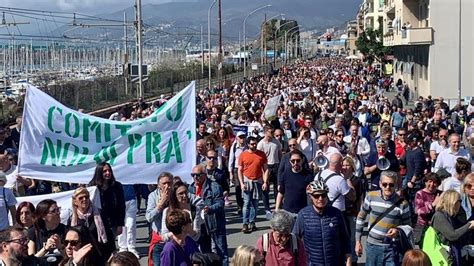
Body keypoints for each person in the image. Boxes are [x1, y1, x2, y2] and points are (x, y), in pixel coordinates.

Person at [355, 171, 412, 265]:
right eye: (385, 184)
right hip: (373, 246)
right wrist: (358, 241)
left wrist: (397, 231)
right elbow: (361, 218)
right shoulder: (370, 196)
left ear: (395, 185)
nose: (388, 187)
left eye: (391, 184)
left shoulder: (403, 204)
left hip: (392, 248)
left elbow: (408, 227)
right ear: (380, 184)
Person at [292, 179, 351, 265]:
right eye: (316, 196)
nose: (320, 199)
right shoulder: (303, 215)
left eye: (323, 195)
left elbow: (345, 238)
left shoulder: (336, 213)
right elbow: (294, 238)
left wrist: (348, 260)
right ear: (310, 197)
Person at [188, 165, 229, 265]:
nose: (195, 177)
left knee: (221, 252)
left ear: (204, 175)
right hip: (200, 225)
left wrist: (209, 209)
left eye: (197, 175)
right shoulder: (190, 188)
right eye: (193, 175)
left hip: (214, 224)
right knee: (205, 253)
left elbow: (220, 203)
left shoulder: (214, 186)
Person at [68, 187, 114, 266]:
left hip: (101, 254)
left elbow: (108, 233)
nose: (84, 199)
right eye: (81, 198)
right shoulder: (72, 220)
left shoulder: (99, 213)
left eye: (87, 197)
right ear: (75, 201)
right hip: (83, 257)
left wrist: (113, 251)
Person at [432, 190, 474, 266]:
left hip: (452, 254)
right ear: (452, 202)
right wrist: (469, 225)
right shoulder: (439, 216)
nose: (460, 204)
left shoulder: (450, 216)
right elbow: (452, 235)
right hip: (444, 257)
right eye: (459, 201)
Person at [238, 136, 269, 233]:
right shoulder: (243, 155)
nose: (254, 145)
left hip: (258, 181)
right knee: (246, 203)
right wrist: (241, 183)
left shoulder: (261, 154)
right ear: (248, 144)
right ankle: (245, 223)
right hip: (247, 180)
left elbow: (266, 169)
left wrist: (265, 182)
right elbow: (239, 170)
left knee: (255, 204)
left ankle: (252, 222)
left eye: (255, 143)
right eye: (252, 144)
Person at [88, 162, 125, 239]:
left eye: (109, 170)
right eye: (104, 171)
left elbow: (121, 206)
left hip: (112, 223)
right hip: (96, 223)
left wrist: (120, 224)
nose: (108, 173)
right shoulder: (92, 187)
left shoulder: (117, 186)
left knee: (110, 247)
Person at [27, 199, 66, 265]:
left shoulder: (66, 230)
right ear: (43, 216)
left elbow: (72, 257)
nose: (58, 213)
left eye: (58, 209)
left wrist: (60, 247)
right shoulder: (34, 231)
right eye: (54, 211)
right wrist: (45, 249)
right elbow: (31, 261)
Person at [275, 150, 313, 216]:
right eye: (293, 161)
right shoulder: (285, 174)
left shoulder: (308, 175)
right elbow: (280, 193)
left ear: (302, 161)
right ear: (290, 161)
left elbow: (312, 195)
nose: (295, 163)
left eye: (298, 160)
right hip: (287, 212)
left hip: (303, 212)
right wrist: (276, 210)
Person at [145, 172, 172, 266]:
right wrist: (160, 205)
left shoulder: (176, 194)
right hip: (158, 240)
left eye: (169, 183)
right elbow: (149, 217)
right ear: (159, 185)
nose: (167, 186)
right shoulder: (152, 196)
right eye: (164, 183)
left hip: (173, 239)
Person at [257, 126, 282, 220]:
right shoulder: (261, 144)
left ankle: (277, 207)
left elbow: (280, 154)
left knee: (277, 188)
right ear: (265, 132)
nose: (272, 133)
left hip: (275, 165)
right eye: (270, 131)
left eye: (272, 131)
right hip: (266, 167)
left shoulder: (276, 142)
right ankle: (267, 209)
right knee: (265, 189)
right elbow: (259, 158)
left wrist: (281, 165)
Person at [413, 173, 442, 244]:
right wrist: (432, 204)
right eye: (430, 181)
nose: (432, 184)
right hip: (423, 226)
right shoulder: (420, 193)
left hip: (437, 226)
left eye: (434, 182)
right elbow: (418, 211)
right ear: (425, 182)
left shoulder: (440, 194)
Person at [117, 184, 139, 258]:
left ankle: (131, 248)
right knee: (121, 224)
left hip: (131, 199)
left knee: (131, 224)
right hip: (118, 200)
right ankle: (122, 247)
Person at [228, 131, 247, 214]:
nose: (242, 139)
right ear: (237, 138)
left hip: (246, 169)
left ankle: (246, 205)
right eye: (240, 137)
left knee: (246, 187)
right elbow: (231, 159)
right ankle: (240, 206)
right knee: (238, 187)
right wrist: (230, 172)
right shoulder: (234, 146)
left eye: (243, 137)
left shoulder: (247, 146)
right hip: (236, 169)